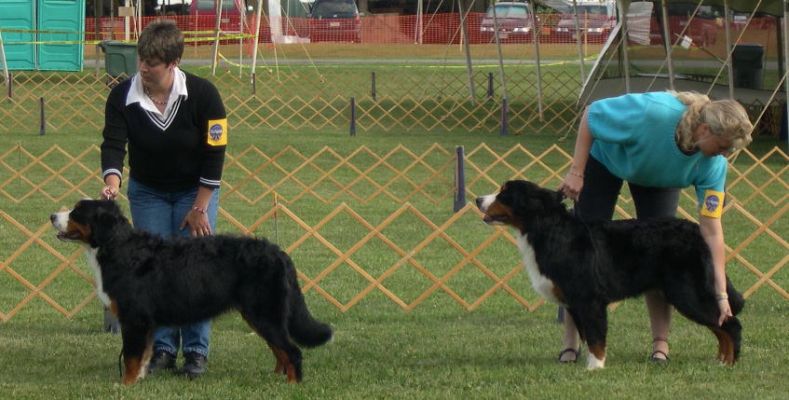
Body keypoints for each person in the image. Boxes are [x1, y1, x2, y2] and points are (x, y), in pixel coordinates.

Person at [557, 91, 752, 363]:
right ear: (704, 130)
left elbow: (712, 231)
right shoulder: (654, 113)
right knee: (580, 253)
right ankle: (571, 343)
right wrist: (577, 171)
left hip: (660, 178)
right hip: (607, 160)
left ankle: (660, 345)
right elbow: (592, 113)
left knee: (661, 257)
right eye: (723, 147)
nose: (725, 155)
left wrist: (720, 295)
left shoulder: (714, 166)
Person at [99, 19, 228, 378]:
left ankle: (197, 352)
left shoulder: (204, 95)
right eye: (141, 59)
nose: (142, 67)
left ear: (173, 63)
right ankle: (164, 350)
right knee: (154, 273)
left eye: (151, 63)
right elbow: (113, 144)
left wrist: (200, 207)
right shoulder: (122, 96)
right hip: (148, 191)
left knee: (195, 271)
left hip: (194, 190)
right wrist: (111, 181)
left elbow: (215, 152)